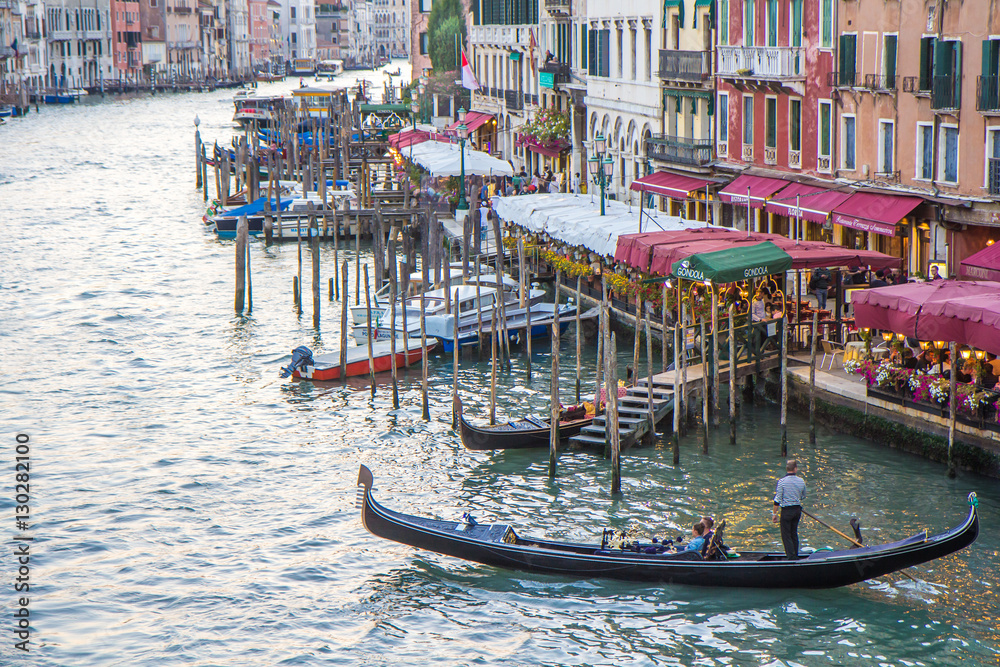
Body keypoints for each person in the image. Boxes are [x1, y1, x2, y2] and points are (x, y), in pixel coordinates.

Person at [772, 459, 806, 560]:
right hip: (797, 510)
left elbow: (777, 499)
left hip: (786, 511)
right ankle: (795, 554)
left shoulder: (782, 482)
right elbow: (803, 496)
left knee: (786, 535)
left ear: (787, 469)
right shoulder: (801, 481)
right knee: (794, 533)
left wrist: (774, 514)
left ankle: (791, 558)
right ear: (795, 469)